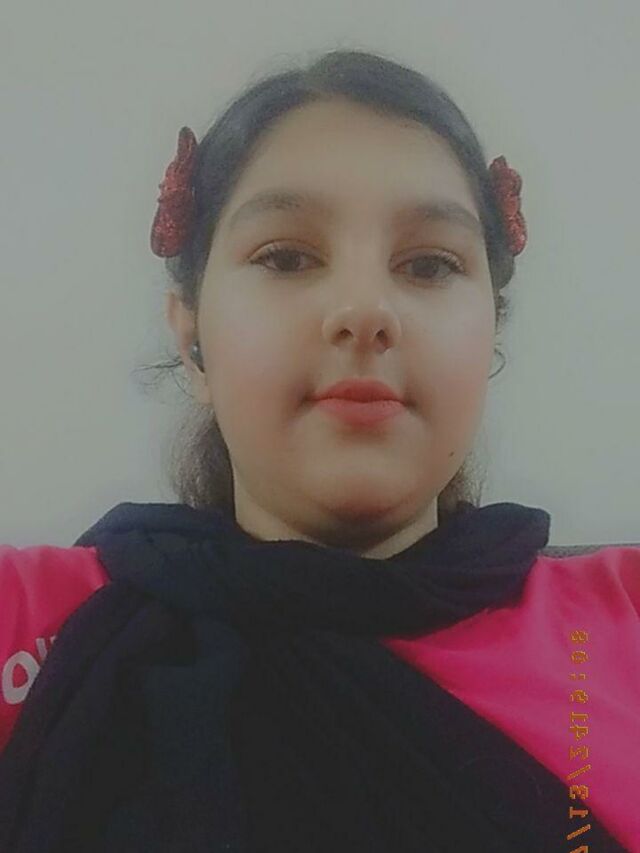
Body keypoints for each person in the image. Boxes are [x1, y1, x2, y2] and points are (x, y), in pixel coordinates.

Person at [0, 48, 637, 852]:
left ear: (491, 335)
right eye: (287, 257)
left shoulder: (622, 614)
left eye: (430, 264)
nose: (365, 310)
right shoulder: (30, 617)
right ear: (192, 337)